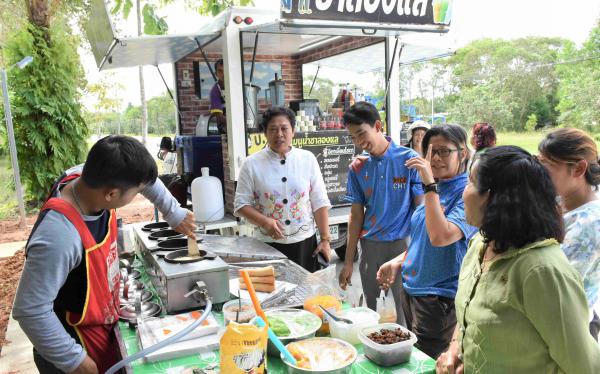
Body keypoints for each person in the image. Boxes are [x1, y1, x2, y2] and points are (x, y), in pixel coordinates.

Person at [12, 136, 196, 374]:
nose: (139, 194)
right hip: (71, 342)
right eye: (136, 193)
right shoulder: (59, 236)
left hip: (101, 323)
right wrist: (72, 359)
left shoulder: (88, 178)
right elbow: (30, 310)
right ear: (111, 194)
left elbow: (142, 178)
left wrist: (174, 212)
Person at [437, 146, 600, 374]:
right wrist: (456, 349)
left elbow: (585, 365)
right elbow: (469, 315)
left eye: (470, 183)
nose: (463, 193)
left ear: (495, 198)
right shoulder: (479, 246)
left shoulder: (541, 271)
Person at [377, 124, 476, 359]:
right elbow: (423, 241)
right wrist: (398, 261)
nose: (435, 158)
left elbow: (441, 237)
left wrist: (429, 185)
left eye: (444, 151)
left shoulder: (467, 194)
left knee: (430, 361)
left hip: (438, 298)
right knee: (415, 357)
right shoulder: (437, 189)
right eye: (430, 152)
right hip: (412, 291)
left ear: (462, 153)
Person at [338, 101, 424, 325]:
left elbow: (420, 209)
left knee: (404, 310)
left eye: (361, 134)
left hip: (401, 245)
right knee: (372, 312)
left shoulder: (408, 159)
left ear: (378, 126)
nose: (358, 142)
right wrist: (349, 262)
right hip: (369, 247)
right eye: (353, 137)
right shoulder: (357, 168)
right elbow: (356, 216)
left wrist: (417, 248)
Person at [234, 107, 332, 272]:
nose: (279, 134)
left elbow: (319, 201)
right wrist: (264, 222)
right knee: (271, 293)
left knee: (305, 293)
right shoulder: (251, 164)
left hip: (304, 243)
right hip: (267, 244)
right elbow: (241, 204)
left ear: (293, 131)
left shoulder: (307, 159)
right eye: (272, 129)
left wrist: (325, 239)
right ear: (264, 133)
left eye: (284, 128)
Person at [538, 128, 600, 340]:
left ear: (579, 168)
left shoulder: (591, 223)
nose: (539, 172)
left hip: (570, 333)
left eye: (547, 165)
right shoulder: (557, 200)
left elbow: (549, 282)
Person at [209, 59, 226, 131]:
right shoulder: (215, 91)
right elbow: (219, 117)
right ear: (216, 74)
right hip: (225, 128)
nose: (223, 73)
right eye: (220, 71)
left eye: (225, 70)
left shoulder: (236, 86)